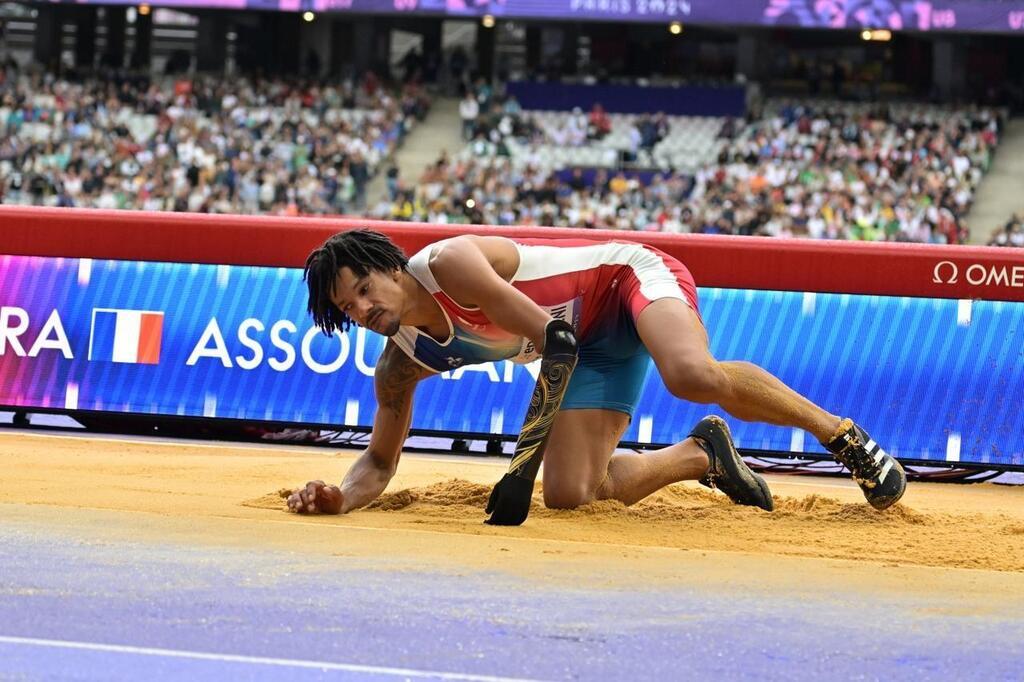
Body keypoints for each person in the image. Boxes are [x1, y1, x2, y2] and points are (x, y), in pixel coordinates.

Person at [288, 230, 906, 519]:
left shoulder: (449, 264)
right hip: (588, 348)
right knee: (569, 495)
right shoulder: (401, 362)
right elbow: (377, 463)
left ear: (394, 269)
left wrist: (518, 466)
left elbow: (553, 341)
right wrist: (340, 497)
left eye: (365, 289)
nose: (364, 311)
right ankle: (701, 455)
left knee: (690, 373)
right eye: (349, 308)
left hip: (624, 281)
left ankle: (843, 437)